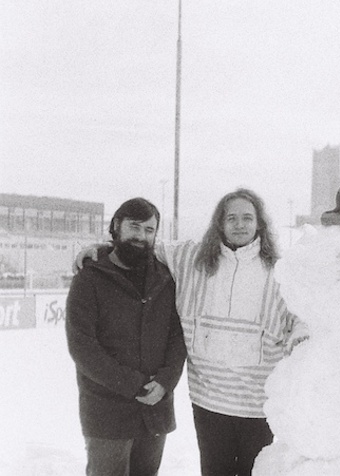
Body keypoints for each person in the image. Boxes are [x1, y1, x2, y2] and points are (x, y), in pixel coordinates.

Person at [76, 188, 307, 476]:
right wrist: (101, 248)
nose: (239, 224)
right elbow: (140, 246)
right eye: (231, 218)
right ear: (219, 223)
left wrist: (302, 337)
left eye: (247, 218)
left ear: (259, 223)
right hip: (208, 402)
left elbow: (302, 315)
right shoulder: (190, 258)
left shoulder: (282, 270)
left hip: (256, 404)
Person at [66, 197, 186, 476]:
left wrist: (166, 380)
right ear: (116, 226)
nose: (141, 236)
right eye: (134, 227)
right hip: (107, 413)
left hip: (154, 410)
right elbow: (82, 347)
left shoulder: (165, 277)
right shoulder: (90, 278)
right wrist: (134, 385)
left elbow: (177, 335)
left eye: (149, 230)